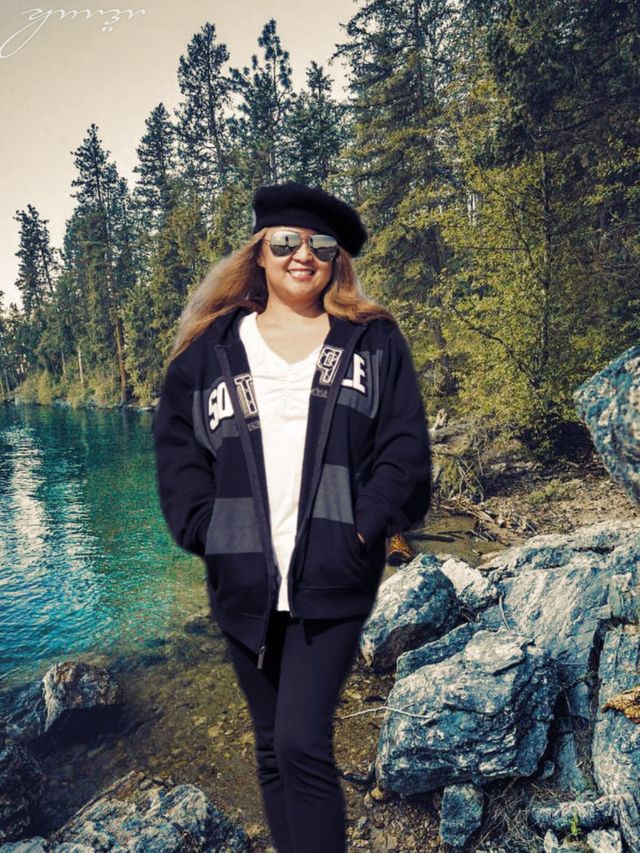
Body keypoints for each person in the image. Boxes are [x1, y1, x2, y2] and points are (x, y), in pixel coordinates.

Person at [152, 181, 432, 853]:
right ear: (260, 250)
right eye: (286, 241)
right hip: (242, 580)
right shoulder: (212, 349)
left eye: (320, 245)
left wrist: (363, 525)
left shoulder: (371, 341)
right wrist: (206, 528)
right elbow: (177, 448)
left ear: (337, 259)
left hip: (333, 577)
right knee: (273, 745)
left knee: (303, 743)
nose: (302, 255)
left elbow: (405, 452)